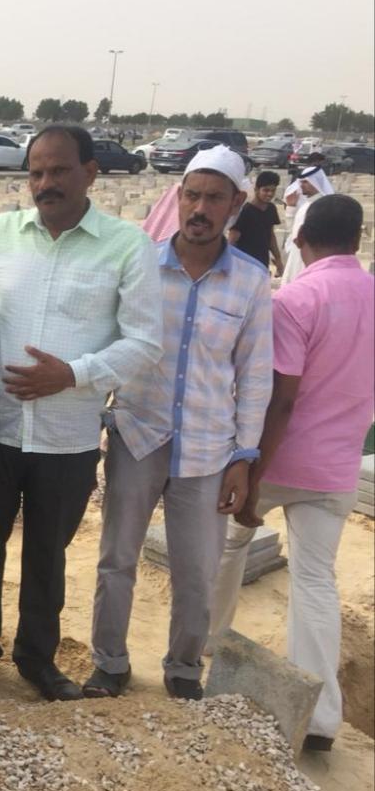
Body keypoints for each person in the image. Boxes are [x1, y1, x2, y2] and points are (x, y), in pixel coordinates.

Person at [0, 125, 162, 704]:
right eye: (36, 172)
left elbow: (145, 342)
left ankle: (37, 660)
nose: (45, 183)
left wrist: (73, 373)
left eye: (59, 170)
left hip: (68, 440)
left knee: (48, 556)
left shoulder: (126, 246)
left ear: (90, 172)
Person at [84, 146, 273, 701]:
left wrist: (244, 457)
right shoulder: (139, 264)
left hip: (209, 450)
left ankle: (184, 669)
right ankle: (109, 663)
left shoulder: (251, 282)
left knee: (197, 570)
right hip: (136, 435)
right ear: (178, 197)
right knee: (117, 558)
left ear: (235, 204)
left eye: (214, 198)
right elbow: (109, 343)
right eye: (191, 194)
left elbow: (255, 377)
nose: (200, 208)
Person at [209, 195, 374, 750]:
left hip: (283, 458)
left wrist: (253, 475)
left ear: (300, 238)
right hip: (338, 468)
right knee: (314, 581)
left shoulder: (297, 298)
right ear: (357, 238)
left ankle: (207, 643)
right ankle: (323, 719)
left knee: (231, 544)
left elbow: (279, 400)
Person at [281, 165, 333, 284]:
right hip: (296, 255)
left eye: (306, 182)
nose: (301, 185)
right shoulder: (305, 205)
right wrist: (291, 207)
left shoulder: (324, 206)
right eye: (301, 182)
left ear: (315, 183)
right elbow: (292, 231)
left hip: (312, 258)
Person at [228, 170, 284, 275]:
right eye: (266, 190)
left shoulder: (271, 209)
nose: (270, 194)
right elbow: (232, 240)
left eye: (273, 190)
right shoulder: (245, 211)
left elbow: (270, 235)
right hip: (244, 264)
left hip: (262, 262)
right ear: (256, 190)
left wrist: (278, 260)